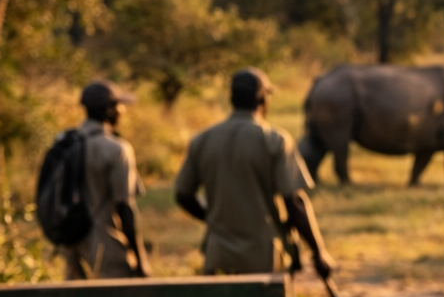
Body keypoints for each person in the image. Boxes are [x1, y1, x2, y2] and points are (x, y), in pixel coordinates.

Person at [174, 68, 335, 279]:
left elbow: (183, 194)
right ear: (262, 99)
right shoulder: (274, 140)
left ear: (232, 98)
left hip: (219, 256)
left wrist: (214, 218)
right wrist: (318, 251)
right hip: (265, 259)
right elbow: (294, 202)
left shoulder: (202, 140)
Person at [62, 80, 152, 280]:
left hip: (69, 243)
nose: (122, 111)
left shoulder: (66, 145)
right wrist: (140, 259)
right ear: (109, 110)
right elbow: (125, 207)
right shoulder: (116, 149)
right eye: (119, 106)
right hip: (105, 243)